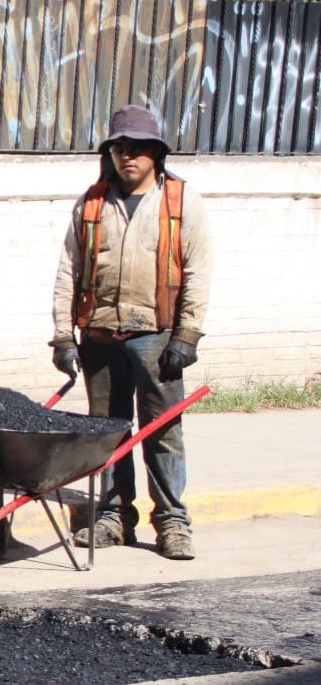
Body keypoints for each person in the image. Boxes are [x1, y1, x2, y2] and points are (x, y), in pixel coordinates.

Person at [51, 104, 212, 561]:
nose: (129, 157)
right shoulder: (92, 203)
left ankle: (173, 523)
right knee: (108, 431)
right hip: (100, 335)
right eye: (121, 148)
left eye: (139, 148)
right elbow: (68, 270)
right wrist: (64, 336)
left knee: (163, 431)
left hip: (156, 336)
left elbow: (199, 270)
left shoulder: (180, 201)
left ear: (156, 154)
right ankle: (114, 517)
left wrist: (188, 335)